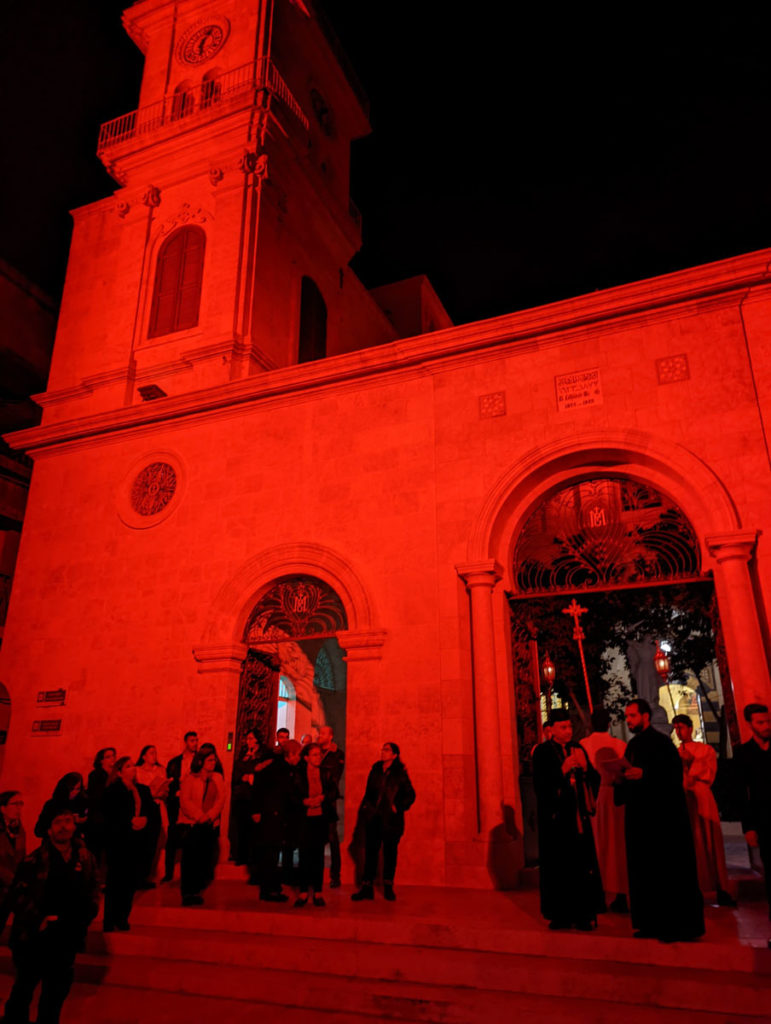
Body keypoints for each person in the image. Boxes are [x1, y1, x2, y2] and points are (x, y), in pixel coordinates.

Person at [615, 698, 704, 941]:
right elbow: (625, 781)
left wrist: (645, 774)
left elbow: (671, 777)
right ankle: (649, 923)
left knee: (668, 873)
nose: (629, 720)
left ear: (645, 716)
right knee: (645, 873)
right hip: (639, 822)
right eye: (627, 717)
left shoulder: (662, 744)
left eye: (633, 716)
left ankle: (674, 926)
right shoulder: (631, 746)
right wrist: (620, 777)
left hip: (664, 823)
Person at [0, 806, 99, 1024]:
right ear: (49, 830)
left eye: (67, 821)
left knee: (54, 998)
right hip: (35, 939)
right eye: (58, 822)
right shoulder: (34, 861)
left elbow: (93, 889)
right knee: (22, 993)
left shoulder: (85, 858)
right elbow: (17, 897)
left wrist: (85, 916)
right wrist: (39, 920)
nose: (64, 827)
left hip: (66, 938)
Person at [532, 710, 604, 930]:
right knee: (559, 868)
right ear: (551, 730)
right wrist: (561, 771)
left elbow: (594, 778)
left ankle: (584, 914)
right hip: (557, 820)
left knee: (582, 866)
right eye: (563, 727)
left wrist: (585, 769)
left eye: (569, 727)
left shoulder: (578, 748)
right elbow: (541, 785)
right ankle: (560, 914)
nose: (568, 731)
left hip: (578, 816)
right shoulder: (543, 752)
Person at [672, 714, 735, 906]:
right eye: (676, 728)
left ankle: (721, 888)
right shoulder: (675, 752)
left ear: (690, 728)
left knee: (710, 841)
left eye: (681, 727)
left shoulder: (704, 749)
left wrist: (691, 762)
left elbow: (708, 773)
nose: (678, 731)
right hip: (684, 798)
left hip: (701, 795)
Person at [351, 742, 415, 902]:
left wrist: (398, 806)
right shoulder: (376, 770)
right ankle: (367, 887)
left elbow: (411, 794)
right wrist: (365, 810)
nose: (383, 752)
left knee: (389, 853)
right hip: (374, 817)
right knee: (371, 852)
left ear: (394, 755)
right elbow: (369, 792)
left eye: (387, 750)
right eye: (383, 749)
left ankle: (388, 886)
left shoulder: (400, 773)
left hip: (391, 820)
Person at [581, 706, 629, 913]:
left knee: (599, 845)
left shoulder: (584, 745)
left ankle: (599, 894)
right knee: (617, 846)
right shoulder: (619, 744)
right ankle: (619, 894)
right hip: (615, 798)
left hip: (596, 798)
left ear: (591, 724)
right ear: (609, 724)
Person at [102, 756, 158, 932]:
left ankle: (122, 917)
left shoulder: (142, 789)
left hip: (136, 842)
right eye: (128, 766)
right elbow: (110, 816)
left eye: (133, 765)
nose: (133, 768)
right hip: (119, 842)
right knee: (115, 882)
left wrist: (145, 820)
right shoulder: (113, 791)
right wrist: (129, 822)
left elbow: (151, 811)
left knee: (130, 883)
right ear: (119, 772)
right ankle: (110, 920)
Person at [733, 702, 771, 919]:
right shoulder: (744, 754)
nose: (766, 726)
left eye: (767, 721)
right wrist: (748, 827)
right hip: (764, 820)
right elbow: (741, 794)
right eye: (760, 722)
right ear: (750, 724)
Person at [293, 743, 339, 907]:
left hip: (320, 818)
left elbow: (334, 791)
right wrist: (303, 801)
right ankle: (304, 891)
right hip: (305, 818)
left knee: (318, 855)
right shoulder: (298, 774)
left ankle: (318, 891)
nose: (318, 757)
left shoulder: (326, 772)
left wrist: (322, 798)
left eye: (319, 754)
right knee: (304, 855)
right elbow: (292, 795)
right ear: (306, 758)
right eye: (314, 754)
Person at [178, 750, 225, 906]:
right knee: (191, 859)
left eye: (214, 760)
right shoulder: (191, 778)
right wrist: (199, 815)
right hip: (193, 824)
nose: (213, 763)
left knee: (206, 859)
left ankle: (198, 888)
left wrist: (210, 815)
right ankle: (188, 891)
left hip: (209, 824)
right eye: (210, 760)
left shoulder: (217, 778)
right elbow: (185, 800)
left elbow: (220, 799)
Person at [229, 729, 272, 866]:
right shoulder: (243, 754)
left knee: (255, 829)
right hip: (242, 796)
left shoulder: (263, 755)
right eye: (248, 739)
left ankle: (254, 858)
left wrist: (253, 776)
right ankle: (240, 856)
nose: (249, 742)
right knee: (241, 827)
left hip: (256, 796)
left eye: (252, 739)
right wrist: (243, 776)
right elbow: (237, 771)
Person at [163, 730, 198, 882]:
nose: (195, 743)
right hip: (177, 803)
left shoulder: (199, 761)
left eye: (196, 740)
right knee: (172, 837)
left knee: (192, 839)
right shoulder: (175, 762)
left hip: (193, 802)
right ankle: (168, 873)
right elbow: (169, 782)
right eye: (192, 740)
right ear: (186, 742)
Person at [135, 744, 169, 887]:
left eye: (155, 753)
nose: (154, 756)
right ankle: (138, 875)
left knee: (156, 842)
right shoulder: (138, 771)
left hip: (158, 805)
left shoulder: (161, 770)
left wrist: (162, 791)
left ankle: (149, 874)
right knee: (142, 842)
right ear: (143, 756)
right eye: (150, 753)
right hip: (144, 808)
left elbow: (166, 791)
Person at [319, 725, 345, 888]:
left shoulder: (337, 755)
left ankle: (335, 875)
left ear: (330, 737)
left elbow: (334, 776)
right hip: (315, 800)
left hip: (328, 800)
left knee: (331, 837)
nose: (319, 736)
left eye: (322, 734)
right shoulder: (315, 752)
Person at [85, 747, 115, 865]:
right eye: (108, 756)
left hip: (111, 818)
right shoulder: (96, 775)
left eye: (113, 756)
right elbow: (97, 796)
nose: (112, 759)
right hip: (99, 818)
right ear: (101, 760)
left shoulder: (115, 774)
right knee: (96, 852)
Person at [35, 774, 88, 840]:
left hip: (74, 845)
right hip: (54, 845)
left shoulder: (81, 803)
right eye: (71, 789)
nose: (74, 792)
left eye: (77, 789)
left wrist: (81, 822)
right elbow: (39, 831)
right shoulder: (52, 805)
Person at [0, 792, 26, 902]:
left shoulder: (18, 828)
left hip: (14, 885)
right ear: (3, 808)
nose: (19, 808)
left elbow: (21, 856)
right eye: (15, 804)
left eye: (20, 804)